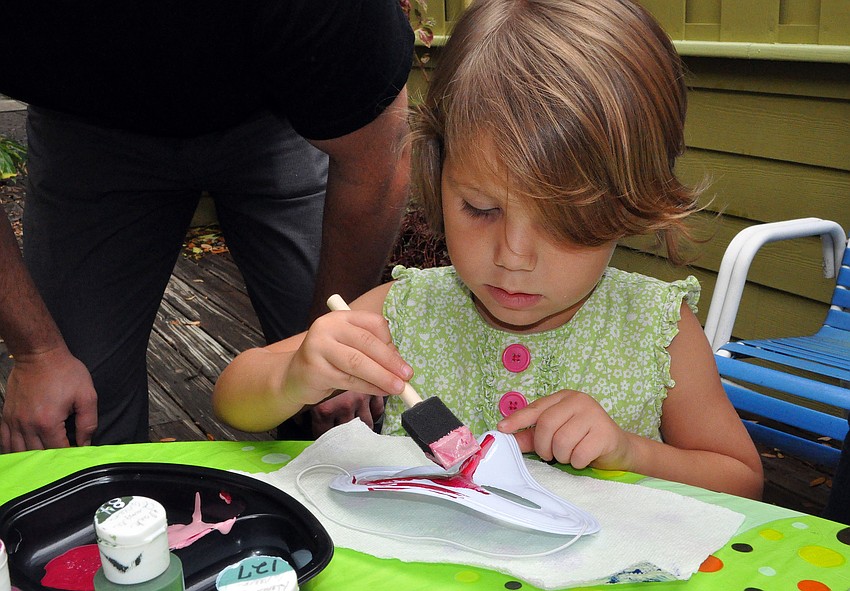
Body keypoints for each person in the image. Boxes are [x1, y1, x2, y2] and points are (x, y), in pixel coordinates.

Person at [213, 0, 764, 499]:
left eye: (566, 222)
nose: (514, 255)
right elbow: (234, 396)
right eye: (480, 208)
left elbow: (741, 480)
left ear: (632, 205)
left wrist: (630, 452)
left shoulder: (656, 330)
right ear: (439, 172)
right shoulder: (407, 310)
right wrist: (296, 377)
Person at [0, 1, 413, 452]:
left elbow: (377, 158)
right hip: (82, 123)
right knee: (72, 415)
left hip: (278, 114)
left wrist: (342, 348)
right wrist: (36, 353)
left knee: (336, 392)